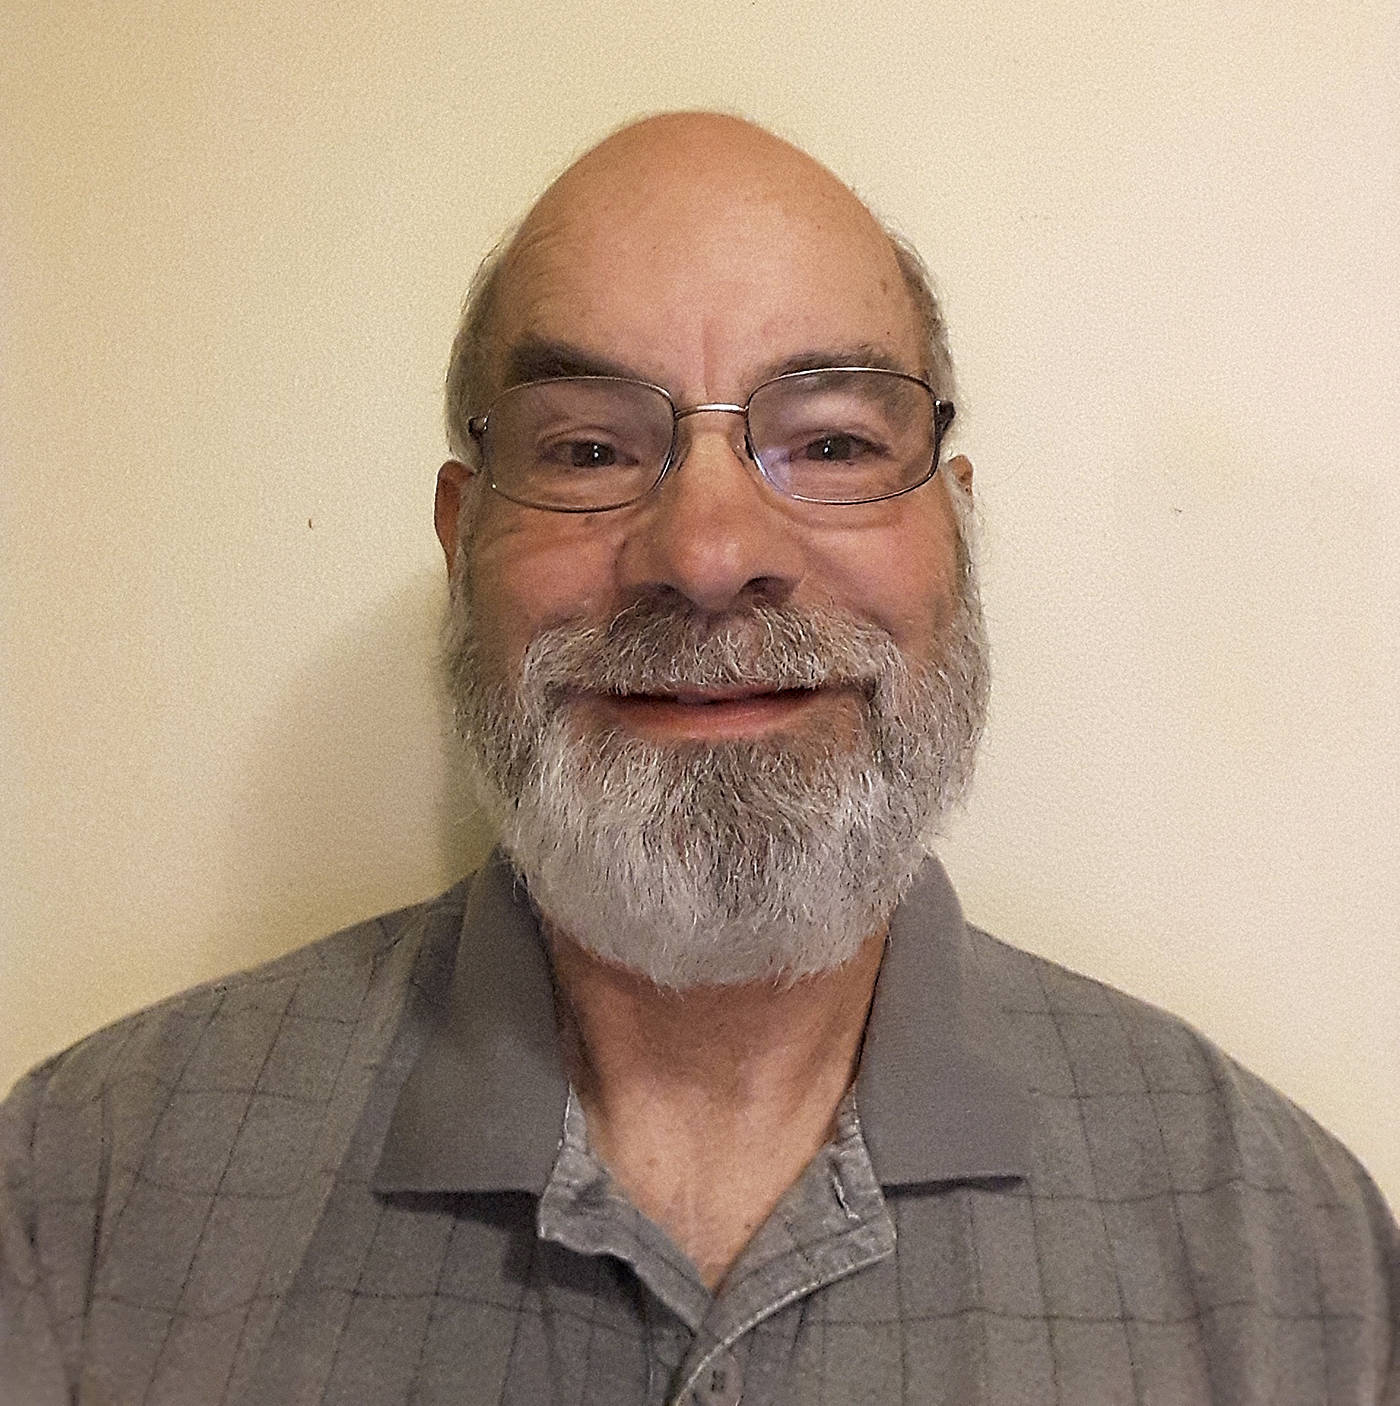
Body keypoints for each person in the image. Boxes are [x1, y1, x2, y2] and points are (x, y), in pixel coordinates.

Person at [2, 112, 1395, 1406]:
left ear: (956, 533)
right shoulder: (82, 1205)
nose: (711, 555)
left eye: (833, 442)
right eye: (590, 449)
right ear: (461, 537)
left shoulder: (1295, 1260)